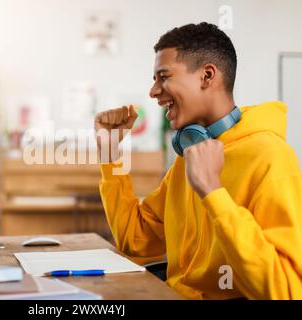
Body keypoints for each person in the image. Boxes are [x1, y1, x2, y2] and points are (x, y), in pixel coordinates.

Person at [94, 22, 302, 299]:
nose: (153, 91)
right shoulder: (189, 156)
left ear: (206, 76)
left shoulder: (270, 158)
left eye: (163, 76)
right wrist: (110, 155)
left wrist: (213, 193)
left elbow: (287, 290)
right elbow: (136, 239)